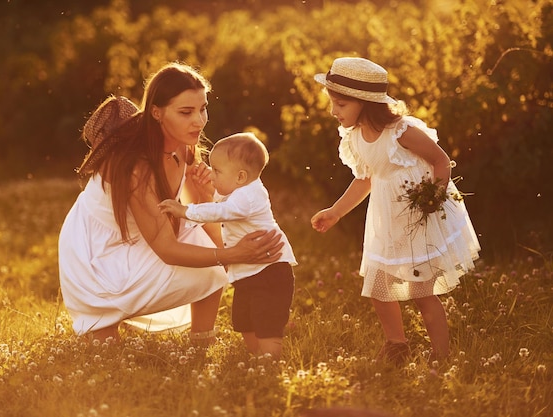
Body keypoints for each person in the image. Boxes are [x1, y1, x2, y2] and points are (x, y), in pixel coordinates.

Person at [58, 62, 284, 344]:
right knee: (103, 345)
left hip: (146, 235)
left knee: (208, 253)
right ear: (157, 112)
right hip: (98, 250)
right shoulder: (136, 167)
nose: (199, 121)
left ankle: (202, 338)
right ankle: (107, 313)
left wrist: (206, 199)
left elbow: (202, 218)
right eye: (186, 112)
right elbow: (166, 249)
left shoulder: (183, 142)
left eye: (202, 108)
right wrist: (233, 255)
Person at [310, 57, 480, 364]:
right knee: (378, 285)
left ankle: (442, 356)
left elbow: (441, 161)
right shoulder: (355, 137)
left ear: (365, 103)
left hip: (418, 216)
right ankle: (396, 345)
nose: (334, 111)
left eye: (340, 104)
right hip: (387, 219)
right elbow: (365, 179)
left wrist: (433, 198)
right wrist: (336, 211)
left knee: (421, 292)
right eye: (333, 103)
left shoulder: (401, 132)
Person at [158, 132, 297, 359]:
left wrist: (185, 210)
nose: (212, 175)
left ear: (240, 177)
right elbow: (220, 203)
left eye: (217, 171)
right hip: (247, 273)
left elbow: (220, 211)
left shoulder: (250, 196)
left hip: (270, 272)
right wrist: (207, 190)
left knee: (266, 322)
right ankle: (256, 358)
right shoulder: (237, 193)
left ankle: (269, 362)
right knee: (245, 321)